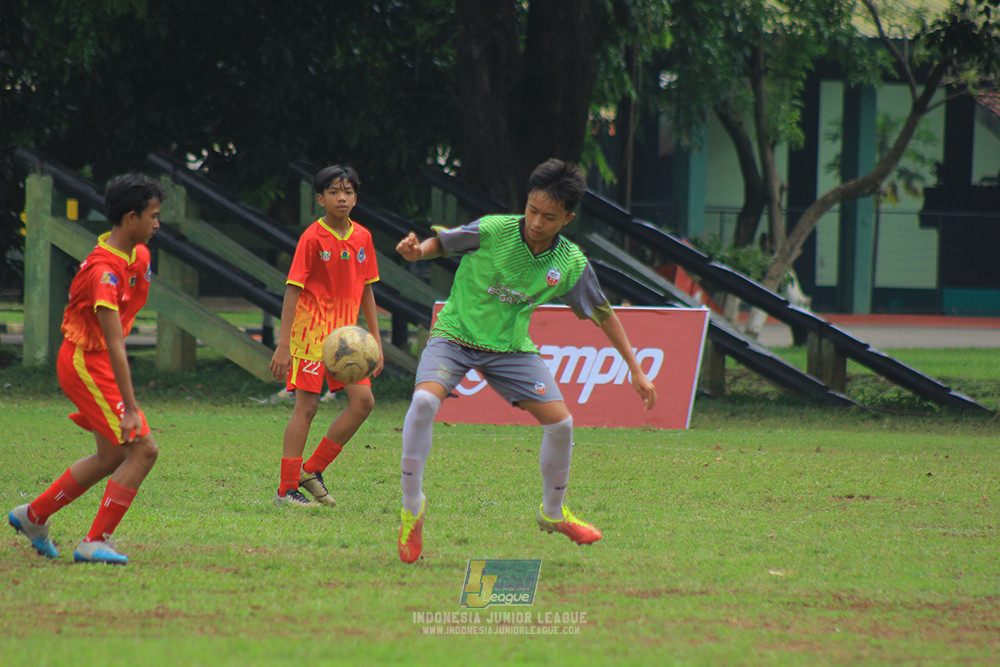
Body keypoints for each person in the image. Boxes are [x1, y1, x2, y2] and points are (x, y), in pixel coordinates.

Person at [393, 158, 657, 563]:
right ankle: (412, 509)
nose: (536, 222)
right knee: (425, 402)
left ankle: (552, 513)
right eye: (532, 210)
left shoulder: (569, 263)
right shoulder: (493, 229)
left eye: (549, 216)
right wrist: (416, 253)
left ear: (567, 219)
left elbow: (604, 313)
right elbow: (442, 244)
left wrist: (636, 370)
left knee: (562, 423)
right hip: (454, 335)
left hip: (511, 349)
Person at [8, 173, 165, 564]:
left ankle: (33, 515)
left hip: (96, 362)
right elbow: (113, 344)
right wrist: (129, 408)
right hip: (85, 363)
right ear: (131, 218)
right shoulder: (103, 273)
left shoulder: (139, 256)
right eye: (153, 215)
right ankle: (95, 540)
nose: (157, 223)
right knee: (144, 450)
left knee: (112, 455)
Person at [270, 165, 383, 507]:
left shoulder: (363, 237)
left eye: (347, 191)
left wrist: (374, 340)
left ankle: (312, 469)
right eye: (334, 192)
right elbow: (293, 290)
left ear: (355, 198)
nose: (342, 197)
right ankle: (286, 489)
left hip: (346, 340)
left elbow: (367, 290)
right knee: (307, 407)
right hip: (310, 335)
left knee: (363, 402)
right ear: (321, 199)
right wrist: (284, 344)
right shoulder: (312, 238)